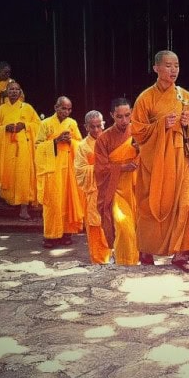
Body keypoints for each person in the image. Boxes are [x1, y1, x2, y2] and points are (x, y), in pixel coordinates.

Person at [131, 50, 189, 272]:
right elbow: (138, 132)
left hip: (183, 159)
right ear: (156, 68)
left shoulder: (186, 97)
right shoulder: (145, 98)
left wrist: (188, 124)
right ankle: (146, 249)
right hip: (158, 162)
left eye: (176, 66)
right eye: (168, 66)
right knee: (154, 204)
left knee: (186, 203)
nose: (173, 70)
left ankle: (181, 253)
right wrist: (162, 126)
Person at [94, 98, 141, 266]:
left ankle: (133, 260)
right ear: (112, 115)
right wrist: (122, 167)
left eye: (128, 115)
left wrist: (139, 152)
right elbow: (100, 168)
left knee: (137, 227)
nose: (124, 121)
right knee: (123, 225)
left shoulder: (137, 132)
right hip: (115, 189)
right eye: (119, 116)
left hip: (136, 186)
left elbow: (149, 156)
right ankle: (124, 262)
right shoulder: (103, 139)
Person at [35, 96, 85, 248]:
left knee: (67, 201)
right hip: (52, 169)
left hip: (68, 168)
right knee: (53, 202)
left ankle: (66, 233)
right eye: (63, 108)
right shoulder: (45, 124)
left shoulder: (72, 123)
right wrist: (55, 141)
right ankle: (50, 236)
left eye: (69, 109)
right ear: (56, 107)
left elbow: (81, 145)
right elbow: (37, 146)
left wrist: (71, 142)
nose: (66, 112)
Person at [0, 81, 40, 220]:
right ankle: (12, 201)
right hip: (7, 149)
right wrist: (4, 128)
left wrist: (25, 125)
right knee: (9, 174)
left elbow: (38, 125)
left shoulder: (27, 108)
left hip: (24, 148)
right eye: (11, 89)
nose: (14, 91)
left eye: (17, 89)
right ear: (6, 92)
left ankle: (24, 207)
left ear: (20, 92)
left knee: (23, 175)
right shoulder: (0, 110)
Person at [74, 110, 111, 264]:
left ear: (103, 124)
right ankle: (99, 261)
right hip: (94, 194)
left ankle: (116, 258)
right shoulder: (82, 146)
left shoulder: (110, 140)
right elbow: (80, 172)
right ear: (86, 127)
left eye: (99, 126)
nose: (96, 130)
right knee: (96, 227)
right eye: (92, 127)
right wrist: (99, 167)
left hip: (112, 191)